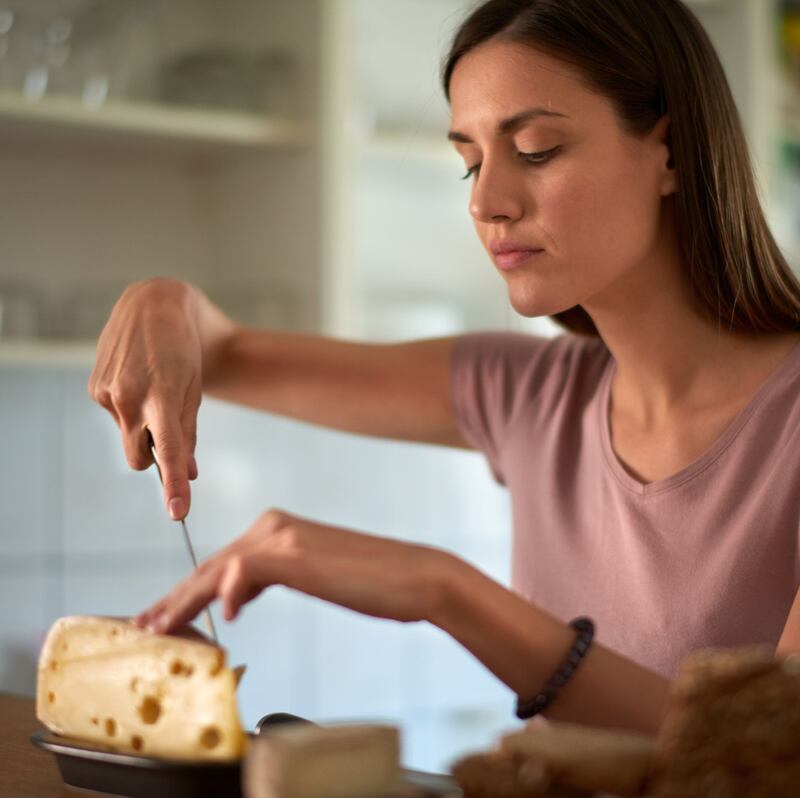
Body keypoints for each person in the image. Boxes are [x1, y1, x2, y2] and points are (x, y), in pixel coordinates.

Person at [88, 0, 800, 735]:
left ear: (671, 153)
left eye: (535, 149)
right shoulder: (532, 396)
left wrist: (444, 590)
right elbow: (222, 350)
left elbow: (776, 754)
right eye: (470, 164)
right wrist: (160, 299)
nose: (488, 203)